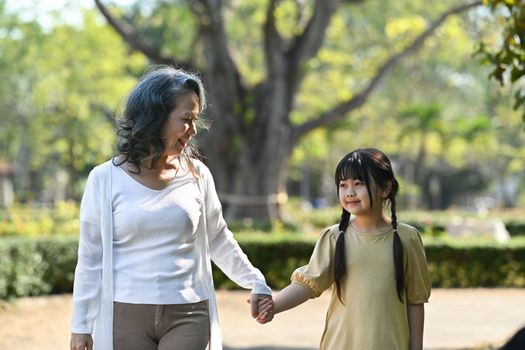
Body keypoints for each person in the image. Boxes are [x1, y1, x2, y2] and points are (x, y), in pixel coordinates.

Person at [70, 66, 272, 350]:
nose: (192, 130)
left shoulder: (198, 175)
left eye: (195, 120)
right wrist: (81, 326)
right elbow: (91, 257)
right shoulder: (104, 179)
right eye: (186, 119)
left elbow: (218, 238)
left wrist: (255, 281)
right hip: (124, 314)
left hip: (188, 313)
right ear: (155, 118)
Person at [256, 148, 431, 350]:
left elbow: (415, 300)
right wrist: (273, 305)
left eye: (358, 184)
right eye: (343, 185)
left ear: (385, 188)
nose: (349, 192)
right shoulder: (334, 237)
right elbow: (307, 285)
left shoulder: (407, 238)